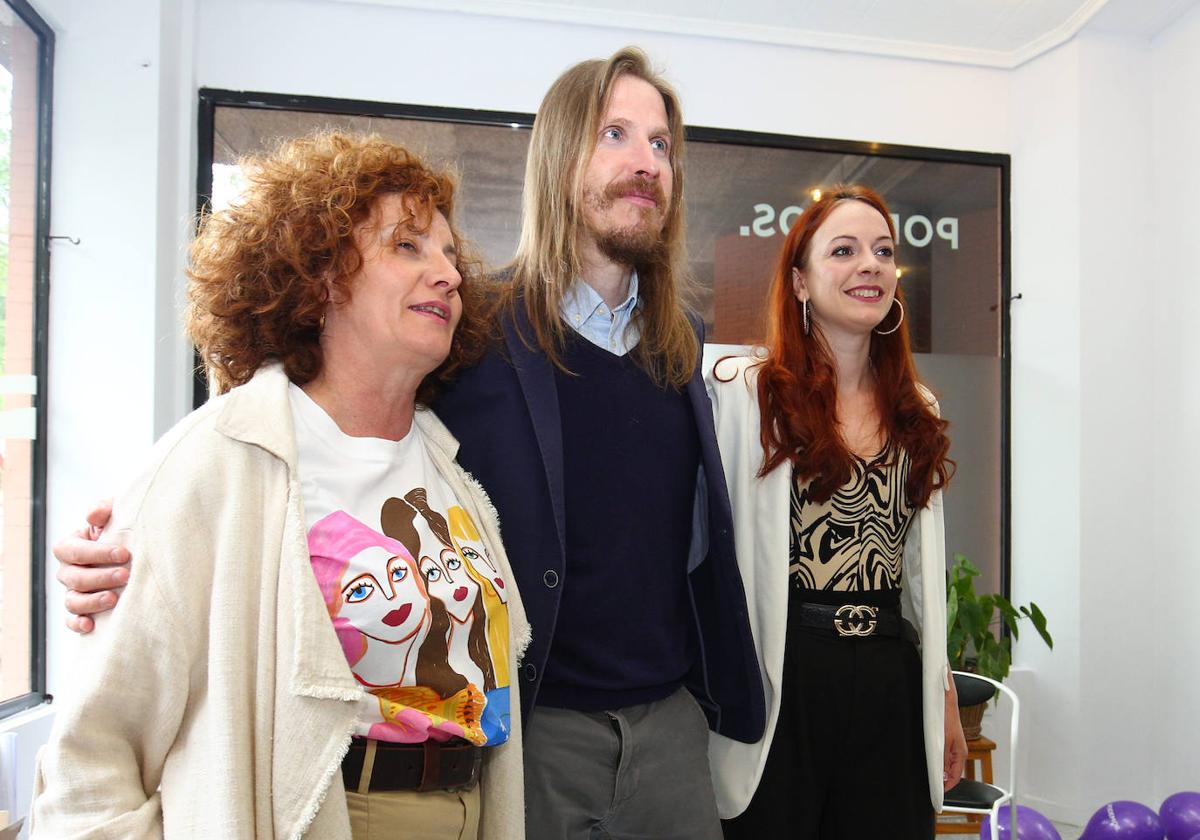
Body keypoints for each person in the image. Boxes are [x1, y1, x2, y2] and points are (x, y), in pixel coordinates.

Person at [55, 47, 764, 839]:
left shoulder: (686, 350)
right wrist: (134, 536)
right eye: (617, 135)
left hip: (651, 733)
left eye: (661, 144)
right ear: (562, 157)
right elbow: (307, 405)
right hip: (531, 734)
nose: (646, 163)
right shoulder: (476, 330)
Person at [32, 132, 528, 839]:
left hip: (468, 808)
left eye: (450, 255)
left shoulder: (450, 469)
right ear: (321, 277)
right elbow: (92, 756)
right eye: (408, 247)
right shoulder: (215, 465)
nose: (448, 274)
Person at [706, 185, 967, 839]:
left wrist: (942, 693)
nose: (870, 265)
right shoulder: (747, 395)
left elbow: (918, 581)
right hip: (783, 672)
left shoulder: (918, 411)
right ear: (799, 280)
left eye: (883, 251)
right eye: (844, 250)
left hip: (887, 676)